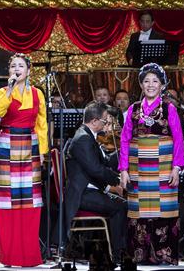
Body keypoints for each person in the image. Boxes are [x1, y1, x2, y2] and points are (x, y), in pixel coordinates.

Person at [120, 63, 184, 264]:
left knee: (164, 213)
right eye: (146, 81)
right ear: (140, 84)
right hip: (138, 168)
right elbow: (124, 139)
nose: (150, 85)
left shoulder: (169, 109)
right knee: (138, 213)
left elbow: (178, 139)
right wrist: (123, 169)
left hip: (164, 167)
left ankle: (163, 256)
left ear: (162, 85)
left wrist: (176, 167)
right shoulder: (133, 109)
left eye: (155, 81)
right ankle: (140, 256)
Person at [0, 52, 48, 267]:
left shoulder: (37, 94)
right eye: (13, 66)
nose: (16, 69)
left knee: (30, 201)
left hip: (29, 145)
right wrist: (11, 89)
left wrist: (42, 150)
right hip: (7, 144)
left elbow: (42, 124)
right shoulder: (2, 91)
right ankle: (8, 255)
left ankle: (30, 255)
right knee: (7, 200)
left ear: (29, 70)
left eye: (20, 66)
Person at [64, 101, 125, 263]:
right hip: (82, 194)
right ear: (94, 121)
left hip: (90, 190)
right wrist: (118, 180)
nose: (106, 123)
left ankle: (119, 250)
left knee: (122, 204)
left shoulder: (88, 135)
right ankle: (119, 255)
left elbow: (103, 163)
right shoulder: (83, 138)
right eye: (105, 120)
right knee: (120, 208)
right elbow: (96, 170)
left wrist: (123, 151)